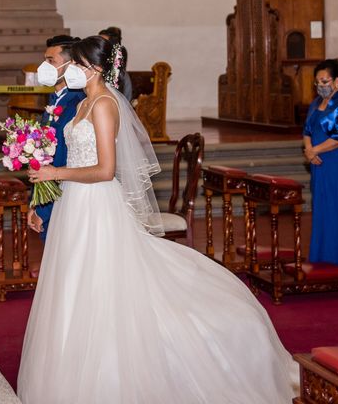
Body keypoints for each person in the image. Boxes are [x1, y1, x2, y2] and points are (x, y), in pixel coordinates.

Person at [17, 36, 298, 403]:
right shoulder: (83, 103)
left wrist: (58, 173)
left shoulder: (103, 105)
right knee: (72, 283)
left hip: (97, 204)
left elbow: (105, 170)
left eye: (77, 64)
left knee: (104, 284)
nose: (70, 70)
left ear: (96, 68)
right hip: (75, 204)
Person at [303, 59, 338, 271]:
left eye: (324, 80)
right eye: (317, 81)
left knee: (337, 208)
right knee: (321, 209)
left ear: (337, 81)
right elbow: (307, 131)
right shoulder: (316, 103)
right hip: (318, 163)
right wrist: (309, 150)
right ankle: (320, 256)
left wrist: (314, 150)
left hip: (336, 163)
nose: (320, 85)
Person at [27, 35, 84, 242]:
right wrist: (34, 203)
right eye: (45, 60)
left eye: (51, 61)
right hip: (49, 197)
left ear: (71, 65)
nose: (45, 66)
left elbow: (62, 158)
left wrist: (44, 211)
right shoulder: (54, 100)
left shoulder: (76, 104)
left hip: (64, 199)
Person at [99, 26, 133, 101]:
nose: (98, 47)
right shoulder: (92, 70)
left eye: (102, 43)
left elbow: (126, 100)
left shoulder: (121, 75)